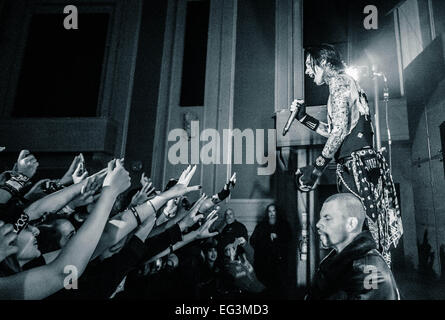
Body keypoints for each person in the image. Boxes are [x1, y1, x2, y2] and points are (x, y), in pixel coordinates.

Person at [291, 44, 402, 264]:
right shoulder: (347, 83)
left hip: (356, 166)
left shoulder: (339, 82)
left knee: (358, 234)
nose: (307, 71)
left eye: (309, 65)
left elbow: (339, 131)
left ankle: (369, 286)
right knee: (362, 231)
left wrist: (316, 170)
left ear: (322, 62)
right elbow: (336, 130)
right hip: (360, 163)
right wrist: (304, 118)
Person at [307, 193, 400, 300]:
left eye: (327, 218)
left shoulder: (367, 268)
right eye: (321, 218)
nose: (318, 224)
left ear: (351, 224)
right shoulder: (333, 261)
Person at [250, 203, 290, 297]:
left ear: (277, 212)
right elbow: (253, 240)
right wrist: (265, 239)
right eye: (269, 211)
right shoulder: (261, 225)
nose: (272, 213)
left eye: (274, 211)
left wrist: (278, 236)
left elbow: (289, 238)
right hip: (264, 264)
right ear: (267, 213)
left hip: (279, 264)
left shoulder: (284, 225)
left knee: (279, 290)